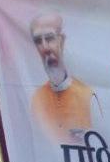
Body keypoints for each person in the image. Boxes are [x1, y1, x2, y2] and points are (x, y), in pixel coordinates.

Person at [30, 12, 99, 143]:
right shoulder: (37, 100)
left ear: (61, 41)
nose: (45, 48)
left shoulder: (88, 96)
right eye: (38, 41)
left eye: (49, 38)